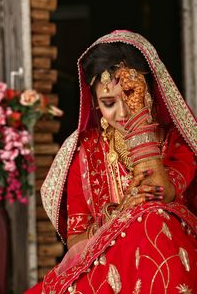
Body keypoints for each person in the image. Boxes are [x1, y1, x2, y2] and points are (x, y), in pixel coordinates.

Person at [25, 30, 197, 294]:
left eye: (130, 95)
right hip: (109, 264)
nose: (123, 112)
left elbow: (159, 194)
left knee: (152, 217)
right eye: (108, 102)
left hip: (173, 258)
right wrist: (119, 217)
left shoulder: (177, 141)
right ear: (95, 104)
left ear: (150, 90)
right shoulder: (84, 151)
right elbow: (77, 240)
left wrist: (141, 121)